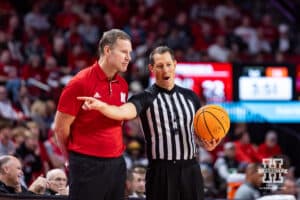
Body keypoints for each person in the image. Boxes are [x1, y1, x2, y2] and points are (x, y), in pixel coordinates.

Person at [77, 46, 220, 200]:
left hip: (190, 169)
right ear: (151, 68)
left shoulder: (191, 97)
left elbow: (197, 134)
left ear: (175, 64)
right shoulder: (145, 98)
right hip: (160, 171)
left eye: (168, 64)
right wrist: (103, 106)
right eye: (159, 66)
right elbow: (124, 111)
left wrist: (207, 143)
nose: (165, 70)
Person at [54, 29, 132, 200]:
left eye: (130, 53)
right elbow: (60, 128)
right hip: (86, 164)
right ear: (107, 50)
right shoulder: (79, 83)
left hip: (117, 163)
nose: (129, 57)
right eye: (124, 52)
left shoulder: (123, 85)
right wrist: (70, 159)